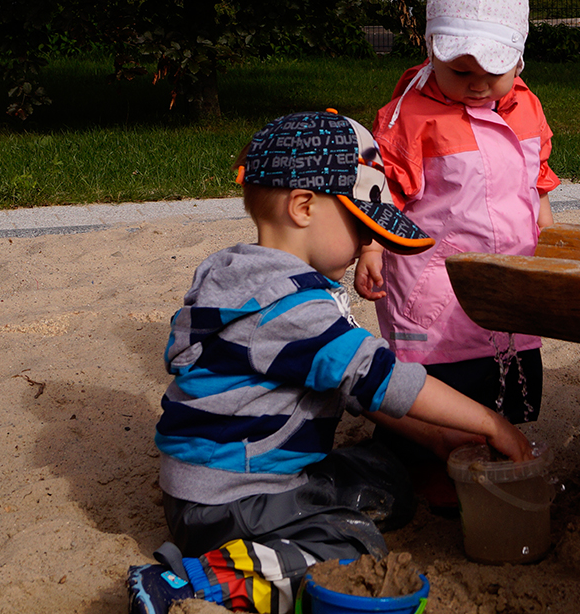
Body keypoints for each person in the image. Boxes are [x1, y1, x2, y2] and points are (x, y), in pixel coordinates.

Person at [127, 110, 534, 614]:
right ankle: (188, 583)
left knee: (385, 481)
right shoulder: (290, 310)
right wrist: (490, 422)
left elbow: (348, 383)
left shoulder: (250, 279)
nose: (368, 244)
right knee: (354, 547)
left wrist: (436, 437)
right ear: (303, 207)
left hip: (221, 485)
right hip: (231, 503)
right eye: (360, 226)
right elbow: (383, 378)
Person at [354, 0, 559, 429]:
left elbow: (538, 178)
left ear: (519, 58)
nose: (478, 83)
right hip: (436, 288)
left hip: (513, 278)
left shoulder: (526, 105)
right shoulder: (413, 116)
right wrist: (369, 248)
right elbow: (382, 192)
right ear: (431, 53)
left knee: (516, 387)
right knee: (441, 393)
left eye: (494, 69)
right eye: (460, 69)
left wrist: (551, 235)